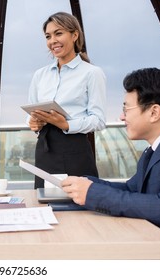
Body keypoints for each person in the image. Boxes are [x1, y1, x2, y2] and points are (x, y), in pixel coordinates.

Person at [61, 68, 160, 230]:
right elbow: (132, 189)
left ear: (154, 113)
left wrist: (93, 194)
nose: (122, 117)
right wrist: (87, 183)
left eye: (126, 109)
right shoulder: (152, 152)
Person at [27, 12, 106, 188]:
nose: (52, 40)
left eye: (58, 33)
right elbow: (31, 113)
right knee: (45, 203)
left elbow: (99, 120)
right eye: (48, 36)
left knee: (79, 204)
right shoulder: (39, 75)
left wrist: (66, 125)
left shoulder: (92, 73)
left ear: (75, 35)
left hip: (75, 150)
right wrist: (33, 122)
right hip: (45, 149)